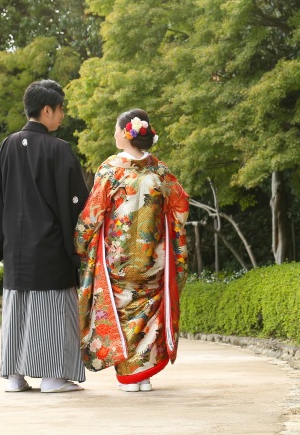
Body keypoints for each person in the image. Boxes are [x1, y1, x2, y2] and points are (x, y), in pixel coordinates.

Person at [0, 79, 89, 393]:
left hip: (16, 249)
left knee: (16, 311)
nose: (62, 115)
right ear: (46, 110)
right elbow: (78, 204)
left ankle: (14, 376)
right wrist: (80, 242)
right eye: (60, 109)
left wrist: (1, 242)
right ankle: (53, 377)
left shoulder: (6, 146)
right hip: (51, 248)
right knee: (53, 312)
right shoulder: (59, 149)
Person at [75, 108, 189, 392]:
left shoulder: (110, 170)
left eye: (116, 129)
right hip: (154, 258)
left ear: (126, 134)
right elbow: (181, 206)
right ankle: (144, 376)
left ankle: (130, 376)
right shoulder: (160, 171)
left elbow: (93, 214)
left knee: (121, 312)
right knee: (147, 314)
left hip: (119, 257)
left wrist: (80, 242)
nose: (114, 134)